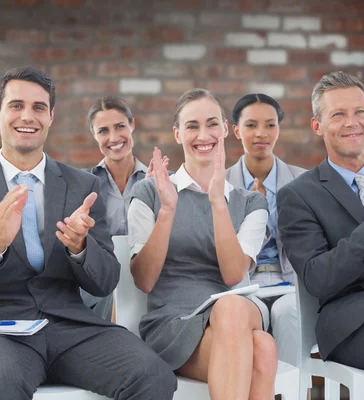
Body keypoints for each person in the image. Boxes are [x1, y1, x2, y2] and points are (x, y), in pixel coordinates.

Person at [0, 66, 177, 400]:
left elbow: (105, 282)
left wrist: (80, 249)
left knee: (153, 375)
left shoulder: (83, 186)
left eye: (39, 108)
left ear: (51, 117)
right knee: (2, 387)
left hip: (71, 327)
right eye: (16, 105)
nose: (27, 116)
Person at [129, 88, 277, 399]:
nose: (203, 134)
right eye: (192, 126)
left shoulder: (251, 203)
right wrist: (168, 209)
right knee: (262, 349)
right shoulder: (150, 193)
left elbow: (234, 276)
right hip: (173, 323)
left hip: (237, 311)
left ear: (225, 129)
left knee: (231, 305)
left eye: (211, 124)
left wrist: (218, 203)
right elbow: (144, 280)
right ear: (178, 133)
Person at [278, 71, 364, 369]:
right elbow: (318, 278)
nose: (353, 122)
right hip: (351, 322)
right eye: (339, 114)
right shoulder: (298, 195)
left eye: (360, 111)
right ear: (318, 125)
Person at [226, 93, 306, 366]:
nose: (261, 133)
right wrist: (253, 211)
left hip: (291, 283)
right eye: (250, 125)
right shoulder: (220, 184)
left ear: (279, 129)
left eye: (270, 125)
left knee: (290, 313)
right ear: (236, 130)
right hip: (242, 286)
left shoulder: (303, 181)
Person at [82, 96, 148, 320]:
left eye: (120, 126)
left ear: (132, 124)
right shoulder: (83, 184)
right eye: (103, 131)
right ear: (94, 135)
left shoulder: (158, 180)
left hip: (147, 284)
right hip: (101, 289)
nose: (113, 138)